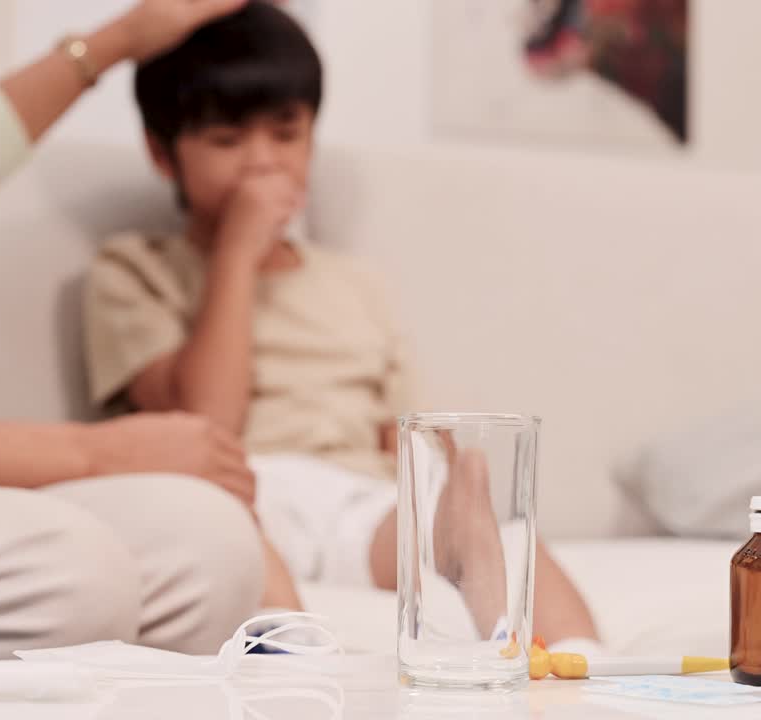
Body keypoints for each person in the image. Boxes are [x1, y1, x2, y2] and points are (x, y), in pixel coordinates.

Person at [83, 1, 601, 647]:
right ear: (163, 154)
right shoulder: (135, 269)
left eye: (285, 133)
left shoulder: (354, 284)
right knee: (221, 523)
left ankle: (575, 662)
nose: (262, 162)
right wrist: (237, 255)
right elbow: (204, 421)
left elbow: (399, 434)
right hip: (238, 487)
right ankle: (295, 653)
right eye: (226, 139)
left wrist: (433, 490)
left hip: (359, 499)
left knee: (484, 521)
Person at [0, 0, 268, 669]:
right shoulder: (135, 272)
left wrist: (130, 34)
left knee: (206, 542)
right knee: (64, 567)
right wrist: (90, 452)